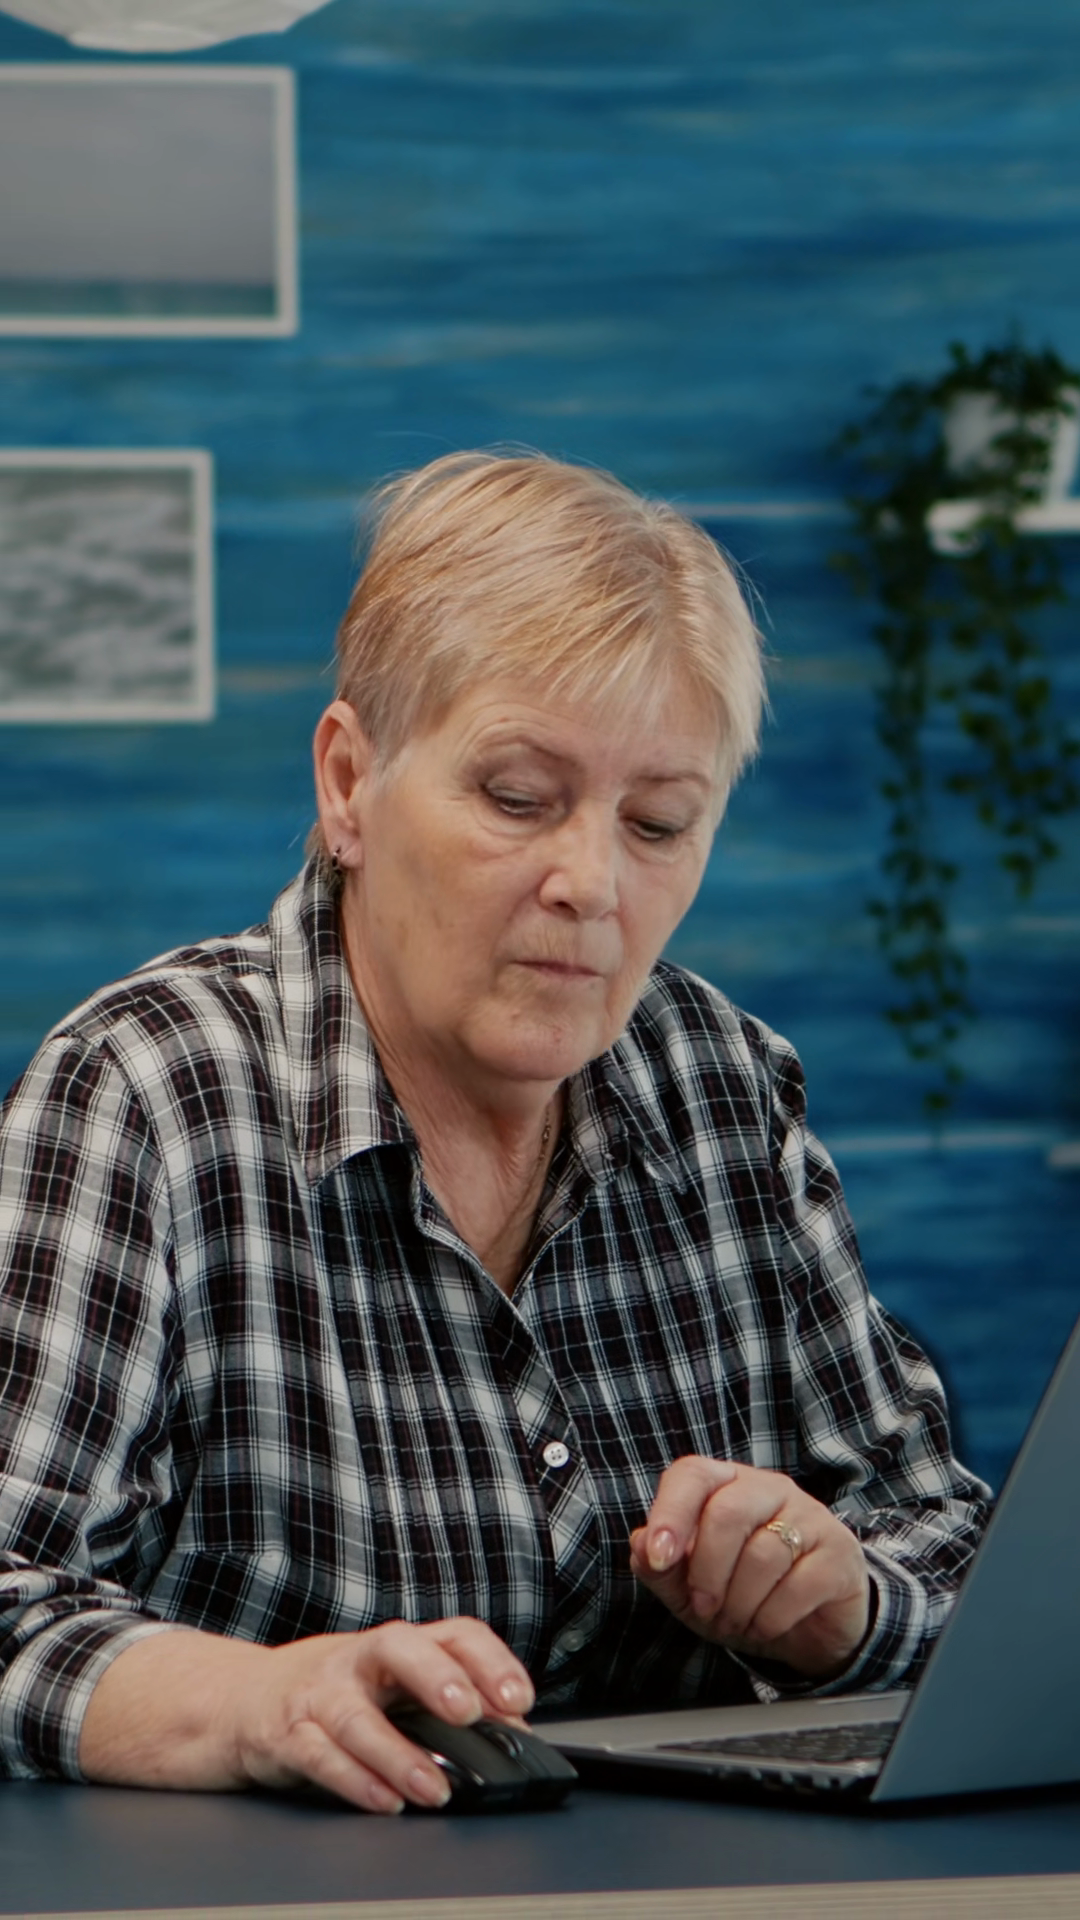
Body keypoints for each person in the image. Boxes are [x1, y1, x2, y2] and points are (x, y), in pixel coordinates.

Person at [0, 451, 989, 1813]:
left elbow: (952, 1545)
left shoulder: (723, 1087)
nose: (591, 882)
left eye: (659, 823)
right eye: (519, 800)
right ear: (349, 783)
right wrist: (261, 1701)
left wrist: (844, 1608)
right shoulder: (147, 1094)